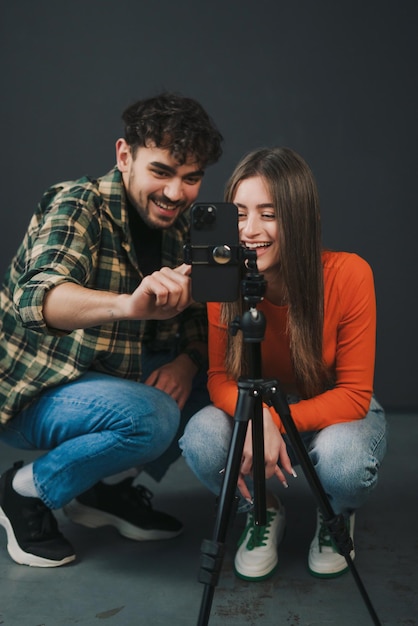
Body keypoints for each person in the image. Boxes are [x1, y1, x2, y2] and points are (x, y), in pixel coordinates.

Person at [0, 92, 223, 567]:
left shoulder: (184, 230)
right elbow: (36, 297)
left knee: (225, 378)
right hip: (35, 389)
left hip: (110, 380)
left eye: (191, 178)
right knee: (153, 417)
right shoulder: (79, 202)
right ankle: (23, 490)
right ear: (124, 156)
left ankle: (102, 489)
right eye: (161, 171)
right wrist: (128, 305)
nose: (175, 193)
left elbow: (200, 322)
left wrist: (187, 363)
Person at [179, 146, 387, 581]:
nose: (250, 231)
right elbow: (219, 377)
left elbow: (353, 394)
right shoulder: (222, 280)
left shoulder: (349, 275)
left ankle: (335, 512)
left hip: (332, 414)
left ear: (299, 217)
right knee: (200, 437)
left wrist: (271, 414)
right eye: (238, 214)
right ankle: (262, 508)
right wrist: (257, 417)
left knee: (344, 462)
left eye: (269, 214)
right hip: (259, 410)